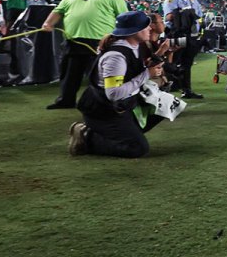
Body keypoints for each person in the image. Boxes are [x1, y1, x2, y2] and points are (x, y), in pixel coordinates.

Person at [67, 11, 167, 158]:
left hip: (120, 106)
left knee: (164, 106)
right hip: (104, 111)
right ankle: (86, 135)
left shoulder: (133, 46)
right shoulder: (115, 57)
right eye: (146, 26)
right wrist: (147, 74)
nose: (150, 29)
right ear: (133, 31)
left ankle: (125, 133)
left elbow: (130, 73)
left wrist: (152, 64)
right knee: (137, 148)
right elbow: (113, 94)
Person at [41, 0, 129, 109]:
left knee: (100, 77)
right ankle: (66, 100)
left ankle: (106, 103)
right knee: (69, 74)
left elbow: (124, 17)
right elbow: (58, 10)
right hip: (73, 40)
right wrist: (48, 23)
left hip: (100, 42)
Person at [162, 0, 205, 99]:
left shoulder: (193, 0)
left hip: (190, 35)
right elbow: (169, 17)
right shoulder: (171, 0)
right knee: (173, 62)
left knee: (187, 62)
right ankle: (168, 87)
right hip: (176, 34)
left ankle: (187, 90)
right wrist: (183, 13)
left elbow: (199, 17)